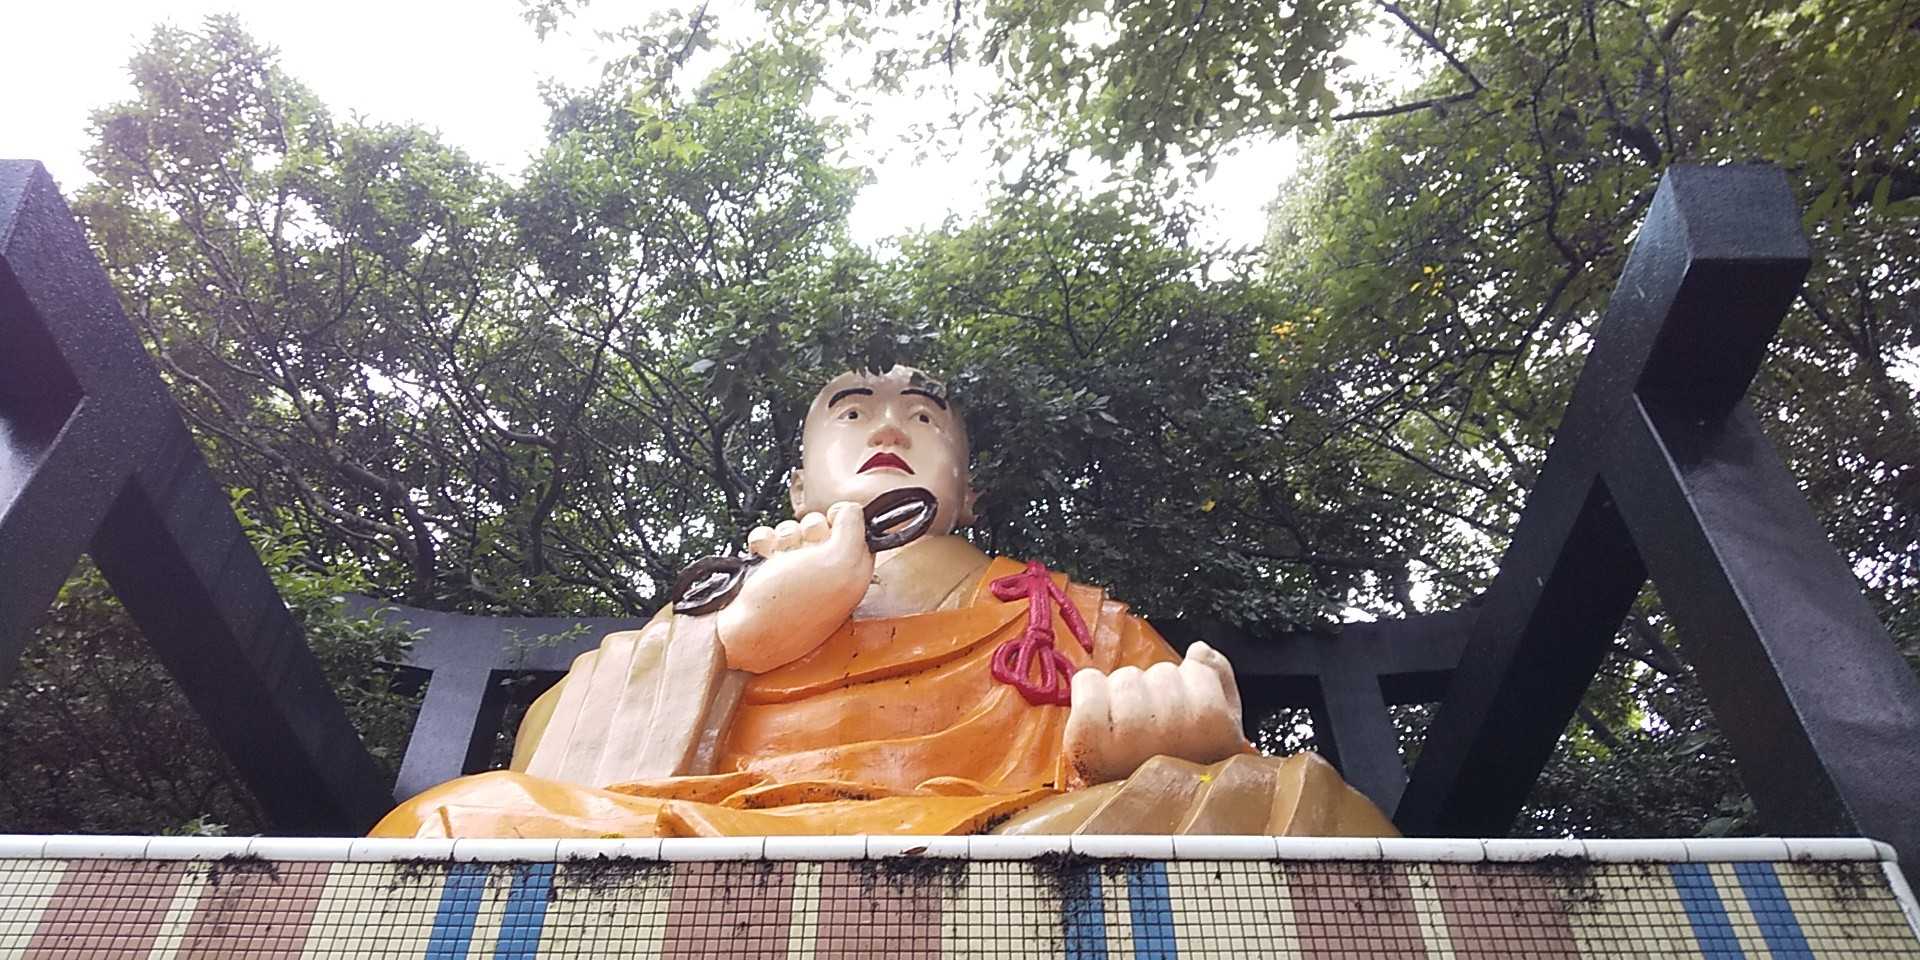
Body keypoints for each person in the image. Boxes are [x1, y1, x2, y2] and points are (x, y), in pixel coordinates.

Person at [372, 367, 1392, 838]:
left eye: (921, 417)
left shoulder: (1066, 614)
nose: (888, 428)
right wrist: (729, 644)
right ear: (798, 487)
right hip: (718, 835)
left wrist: (1171, 752)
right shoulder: (720, 609)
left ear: (967, 489)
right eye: (852, 413)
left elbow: (1208, 753)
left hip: (1010, 838)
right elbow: (551, 763)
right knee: (456, 821)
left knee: (1306, 810)